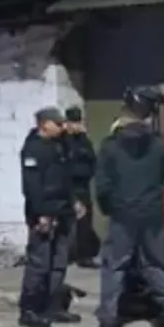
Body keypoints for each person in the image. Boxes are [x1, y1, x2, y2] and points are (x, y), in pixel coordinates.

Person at [94, 87, 164, 327]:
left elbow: (102, 185)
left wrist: (110, 208)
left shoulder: (110, 145)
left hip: (122, 214)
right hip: (152, 213)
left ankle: (108, 321)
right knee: (157, 263)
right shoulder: (159, 144)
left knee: (114, 266)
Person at [17, 106, 85, 327]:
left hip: (62, 211)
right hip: (43, 215)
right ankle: (30, 310)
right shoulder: (33, 149)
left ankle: (52, 307)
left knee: (58, 263)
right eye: (58, 123)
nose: (62, 127)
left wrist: (73, 201)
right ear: (44, 124)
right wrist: (41, 215)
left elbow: (66, 177)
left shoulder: (60, 144)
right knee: (39, 264)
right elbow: (32, 187)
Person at [63, 106, 101, 268]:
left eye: (77, 122)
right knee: (67, 223)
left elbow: (93, 161)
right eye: (72, 122)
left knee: (85, 222)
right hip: (67, 186)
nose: (75, 126)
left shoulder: (84, 141)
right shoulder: (63, 141)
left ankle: (85, 256)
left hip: (83, 186)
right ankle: (65, 255)